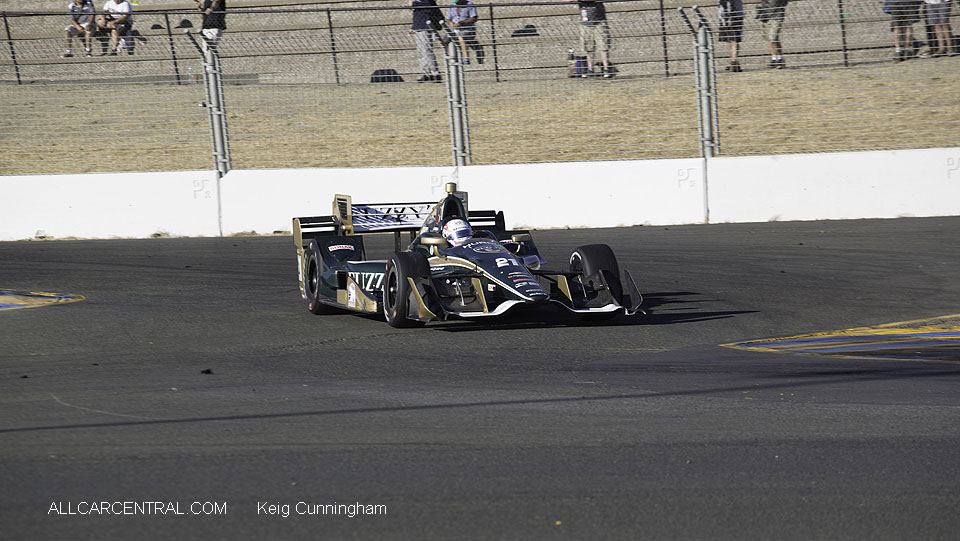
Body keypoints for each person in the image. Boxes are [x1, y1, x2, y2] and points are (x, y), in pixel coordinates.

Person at [567, 0, 612, 78]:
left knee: (603, 45)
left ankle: (606, 69)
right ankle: (590, 69)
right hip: (585, 23)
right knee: (588, 47)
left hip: (599, 21)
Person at [410, 0, 445, 82]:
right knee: (421, 52)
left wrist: (414, 4)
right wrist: (413, 27)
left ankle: (435, 73)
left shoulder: (427, 2)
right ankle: (427, 73)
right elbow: (418, 16)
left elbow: (427, 6)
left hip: (426, 28)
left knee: (427, 50)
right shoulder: (418, 2)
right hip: (418, 28)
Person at [445, 0, 484, 65]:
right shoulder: (452, 5)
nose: (456, 3)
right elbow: (447, 19)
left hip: (467, 29)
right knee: (444, 39)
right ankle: (450, 57)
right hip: (455, 28)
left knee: (461, 38)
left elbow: (474, 18)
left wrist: (462, 22)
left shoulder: (469, 4)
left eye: (458, 2)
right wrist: (450, 22)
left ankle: (466, 59)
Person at [756, 0, 788, 69]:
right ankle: (774, 59)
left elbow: (785, 3)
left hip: (777, 17)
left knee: (773, 38)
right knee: (771, 39)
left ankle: (780, 59)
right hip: (766, 17)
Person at [717, 0, 743, 72]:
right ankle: (733, 61)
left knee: (734, 39)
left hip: (735, 16)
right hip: (724, 16)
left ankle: (734, 61)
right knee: (730, 40)